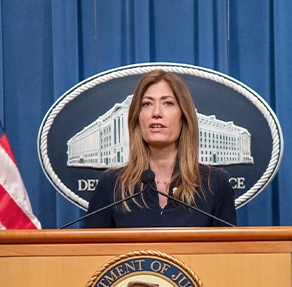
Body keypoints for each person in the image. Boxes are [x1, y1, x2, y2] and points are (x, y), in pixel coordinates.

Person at [84, 69, 237, 228]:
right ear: (137, 117)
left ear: (183, 116)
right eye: (147, 104)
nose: (156, 113)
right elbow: (90, 251)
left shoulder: (215, 183)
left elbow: (227, 251)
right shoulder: (112, 185)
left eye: (168, 103)